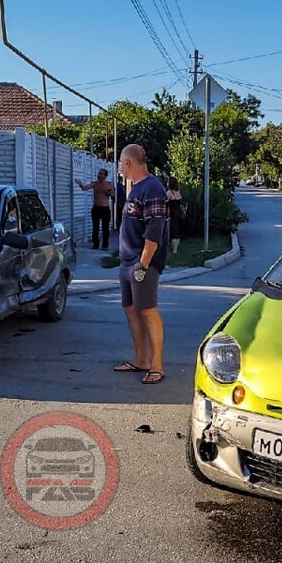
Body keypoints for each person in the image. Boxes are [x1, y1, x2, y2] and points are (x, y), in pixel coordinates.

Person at [112, 144, 168, 385]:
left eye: (120, 164)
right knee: (131, 309)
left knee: (147, 309)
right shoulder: (134, 189)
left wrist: (143, 265)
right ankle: (141, 359)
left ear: (127, 163)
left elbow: (155, 230)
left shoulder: (153, 188)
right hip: (127, 261)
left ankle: (156, 366)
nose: (119, 169)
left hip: (142, 262)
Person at [77, 168, 114, 250]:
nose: (99, 175)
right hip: (96, 208)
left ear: (105, 176)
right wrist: (80, 184)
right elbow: (85, 188)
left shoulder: (108, 185)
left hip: (105, 208)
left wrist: (109, 193)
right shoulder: (95, 184)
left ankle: (105, 245)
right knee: (95, 227)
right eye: (99, 173)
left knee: (105, 228)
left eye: (101, 174)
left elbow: (113, 195)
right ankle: (95, 244)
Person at [165, 176, 185, 255]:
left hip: (172, 214)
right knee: (178, 231)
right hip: (179, 213)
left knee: (173, 231)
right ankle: (176, 248)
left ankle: (174, 251)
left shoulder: (170, 192)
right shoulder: (178, 192)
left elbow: (165, 200)